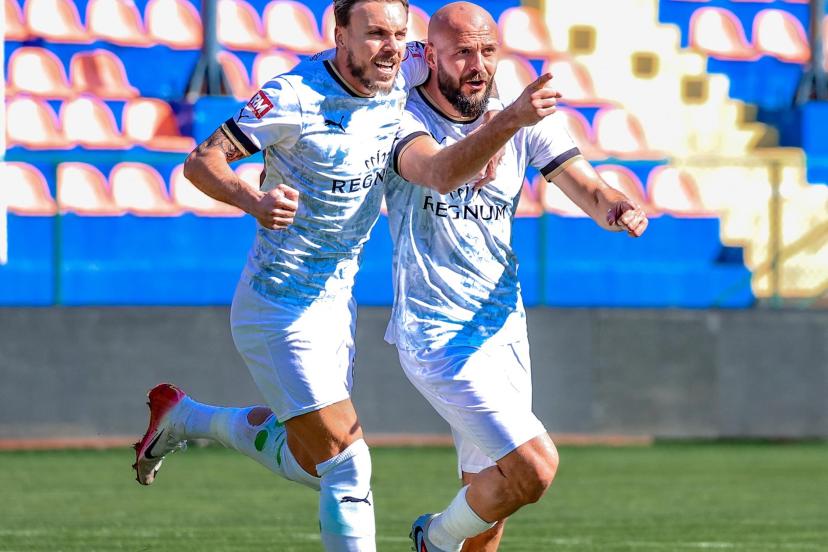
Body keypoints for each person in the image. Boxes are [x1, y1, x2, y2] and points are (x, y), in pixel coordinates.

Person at [131, 1, 562, 550]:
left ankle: (187, 418)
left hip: (337, 303)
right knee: (347, 466)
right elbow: (202, 161)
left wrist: (488, 127)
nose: (391, 47)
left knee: (310, 460)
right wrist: (254, 201)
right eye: (375, 33)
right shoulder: (294, 96)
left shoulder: (405, 66)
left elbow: (472, 75)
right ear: (340, 35)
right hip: (279, 303)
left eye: (398, 34)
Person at [381, 3, 649, 551]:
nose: (478, 65)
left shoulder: (521, 115)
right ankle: (434, 539)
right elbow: (440, 173)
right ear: (430, 56)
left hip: (502, 327)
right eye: (462, 52)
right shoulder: (402, 117)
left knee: (495, 500)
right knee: (534, 467)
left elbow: (588, 187)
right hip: (435, 333)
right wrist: (510, 121)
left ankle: (444, 542)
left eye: (488, 51)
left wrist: (615, 207)